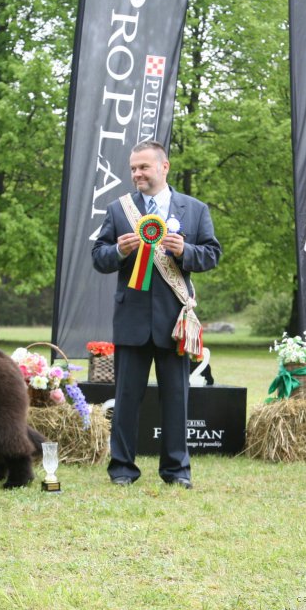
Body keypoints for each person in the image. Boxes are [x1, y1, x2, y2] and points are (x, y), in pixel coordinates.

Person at [92, 141, 221, 489]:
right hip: (131, 321)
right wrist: (119, 249)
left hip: (174, 323)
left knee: (176, 400)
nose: (136, 174)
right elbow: (98, 257)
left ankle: (176, 471)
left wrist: (186, 251)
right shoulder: (119, 210)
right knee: (127, 399)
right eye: (133, 168)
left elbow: (212, 254)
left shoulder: (193, 209)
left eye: (143, 168)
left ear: (164, 167)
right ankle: (122, 469)